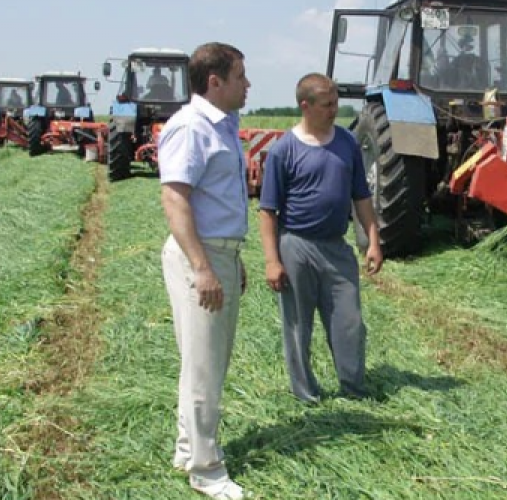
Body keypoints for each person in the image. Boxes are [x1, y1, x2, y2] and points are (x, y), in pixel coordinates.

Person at [158, 42, 250, 500]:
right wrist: (204, 268)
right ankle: (207, 469)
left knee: (202, 365)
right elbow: (174, 199)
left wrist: (234, 258)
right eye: (241, 77)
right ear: (215, 81)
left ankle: (185, 449)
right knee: (205, 369)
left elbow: (218, 201)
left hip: (221, 254)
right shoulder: (191, 127)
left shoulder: (224, 126)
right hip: (202, 258)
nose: (248, 85)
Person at [258, 72, 383, 404]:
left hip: (336, 247)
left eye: (336, 103)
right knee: (298, 325)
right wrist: (272, 261)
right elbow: (268, 210)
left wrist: (373, 240)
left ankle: (354, 388)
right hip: (295, 244)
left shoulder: (347, 143)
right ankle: (305, 393)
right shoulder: (284, 150)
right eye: (327, 105)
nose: (334, 110)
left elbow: (362, 197)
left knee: (349, 321)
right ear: (306, 105)